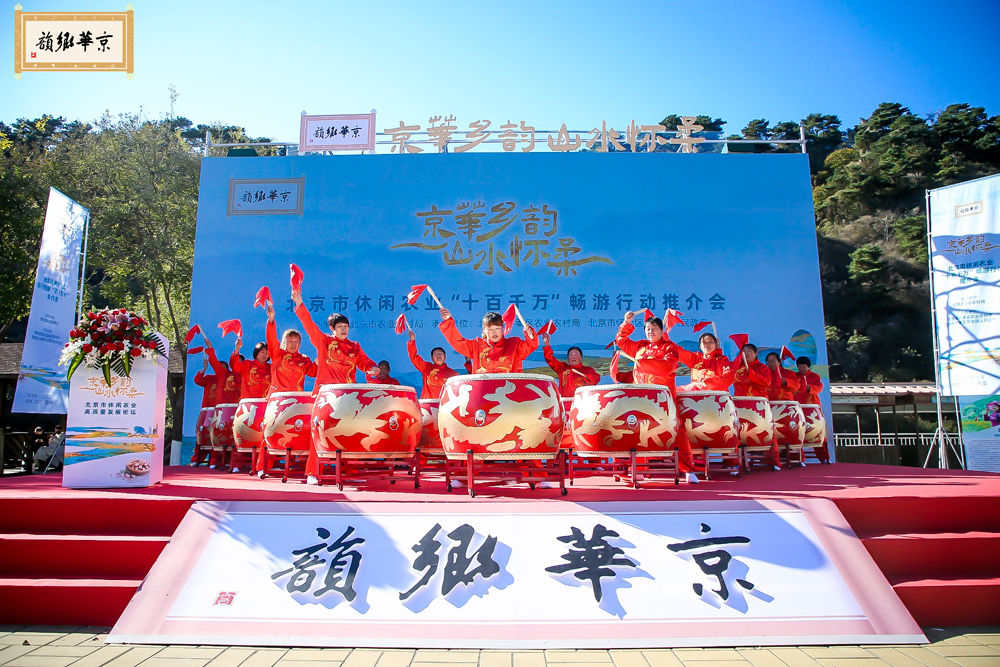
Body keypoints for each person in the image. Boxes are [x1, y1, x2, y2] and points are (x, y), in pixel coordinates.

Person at [616, 311, 698, 483]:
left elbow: (668, 367)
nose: (650, 331)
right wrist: (626, 323)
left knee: (675, 430)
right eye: (647, 328)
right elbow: (621, 342)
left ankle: (688, 470)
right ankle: (638, 470)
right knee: (639, 430)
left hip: (662, 397)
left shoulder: (669, 347)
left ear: (661, 331)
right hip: (641, 396)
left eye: (654, 328)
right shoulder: (641, 346)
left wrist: (643, 364)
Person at [292, 291, 378, 387]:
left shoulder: (354, 347)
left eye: (346, 326)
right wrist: (299, 303)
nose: (344, 329)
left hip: (348, 391)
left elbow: (364, 361)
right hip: (328, 391)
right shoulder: (324, 341)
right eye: (340, 326)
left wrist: (372, 367)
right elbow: (309, 324)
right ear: (332, 328)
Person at [438, 308, 538, 373]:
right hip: (483, 395)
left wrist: (530, 335)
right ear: (485, 331)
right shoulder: (477, 345)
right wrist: (448, 321)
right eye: (490, 329)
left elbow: (530, 346)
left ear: (502, 329)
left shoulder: (513, 344)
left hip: (509, 394)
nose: (494, 332)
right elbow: (458, 343)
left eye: (497, 328)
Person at [264, 303, 317, 394]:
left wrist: (317, 362)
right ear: (284, 342)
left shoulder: (303, 359)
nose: (293, 344)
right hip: (278, 397)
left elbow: (312, 372)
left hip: (297, 398)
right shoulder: (277, 354)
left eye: (296, 342)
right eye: (291, 341)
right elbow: (271, 339)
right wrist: (271, 320)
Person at [407, 330, 459, 399]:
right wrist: (412, 342)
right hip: (429, 403)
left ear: (445, 357)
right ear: (432, 358)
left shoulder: (453, 374)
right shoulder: (426, 367)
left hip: (446, 404)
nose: (438, 356)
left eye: (440, 354)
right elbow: (414, 358)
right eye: (435, 354)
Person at [189, 355, 218, 465]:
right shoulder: (210, 378)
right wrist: (204, 368)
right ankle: (197, 459)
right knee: (202, 435)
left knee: (217, 437)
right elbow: (198, 380)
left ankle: (214, 460)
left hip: (220, 412)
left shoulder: (228, 379)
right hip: (208, 411)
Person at [203, 337, 242, 405]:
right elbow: (214, 362)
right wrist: (209, 346)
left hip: (240, 408)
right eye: (236, 362)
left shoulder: (246, 376)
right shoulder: (224, 374)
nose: (238, 364)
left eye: (240, 363)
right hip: (224, 408)